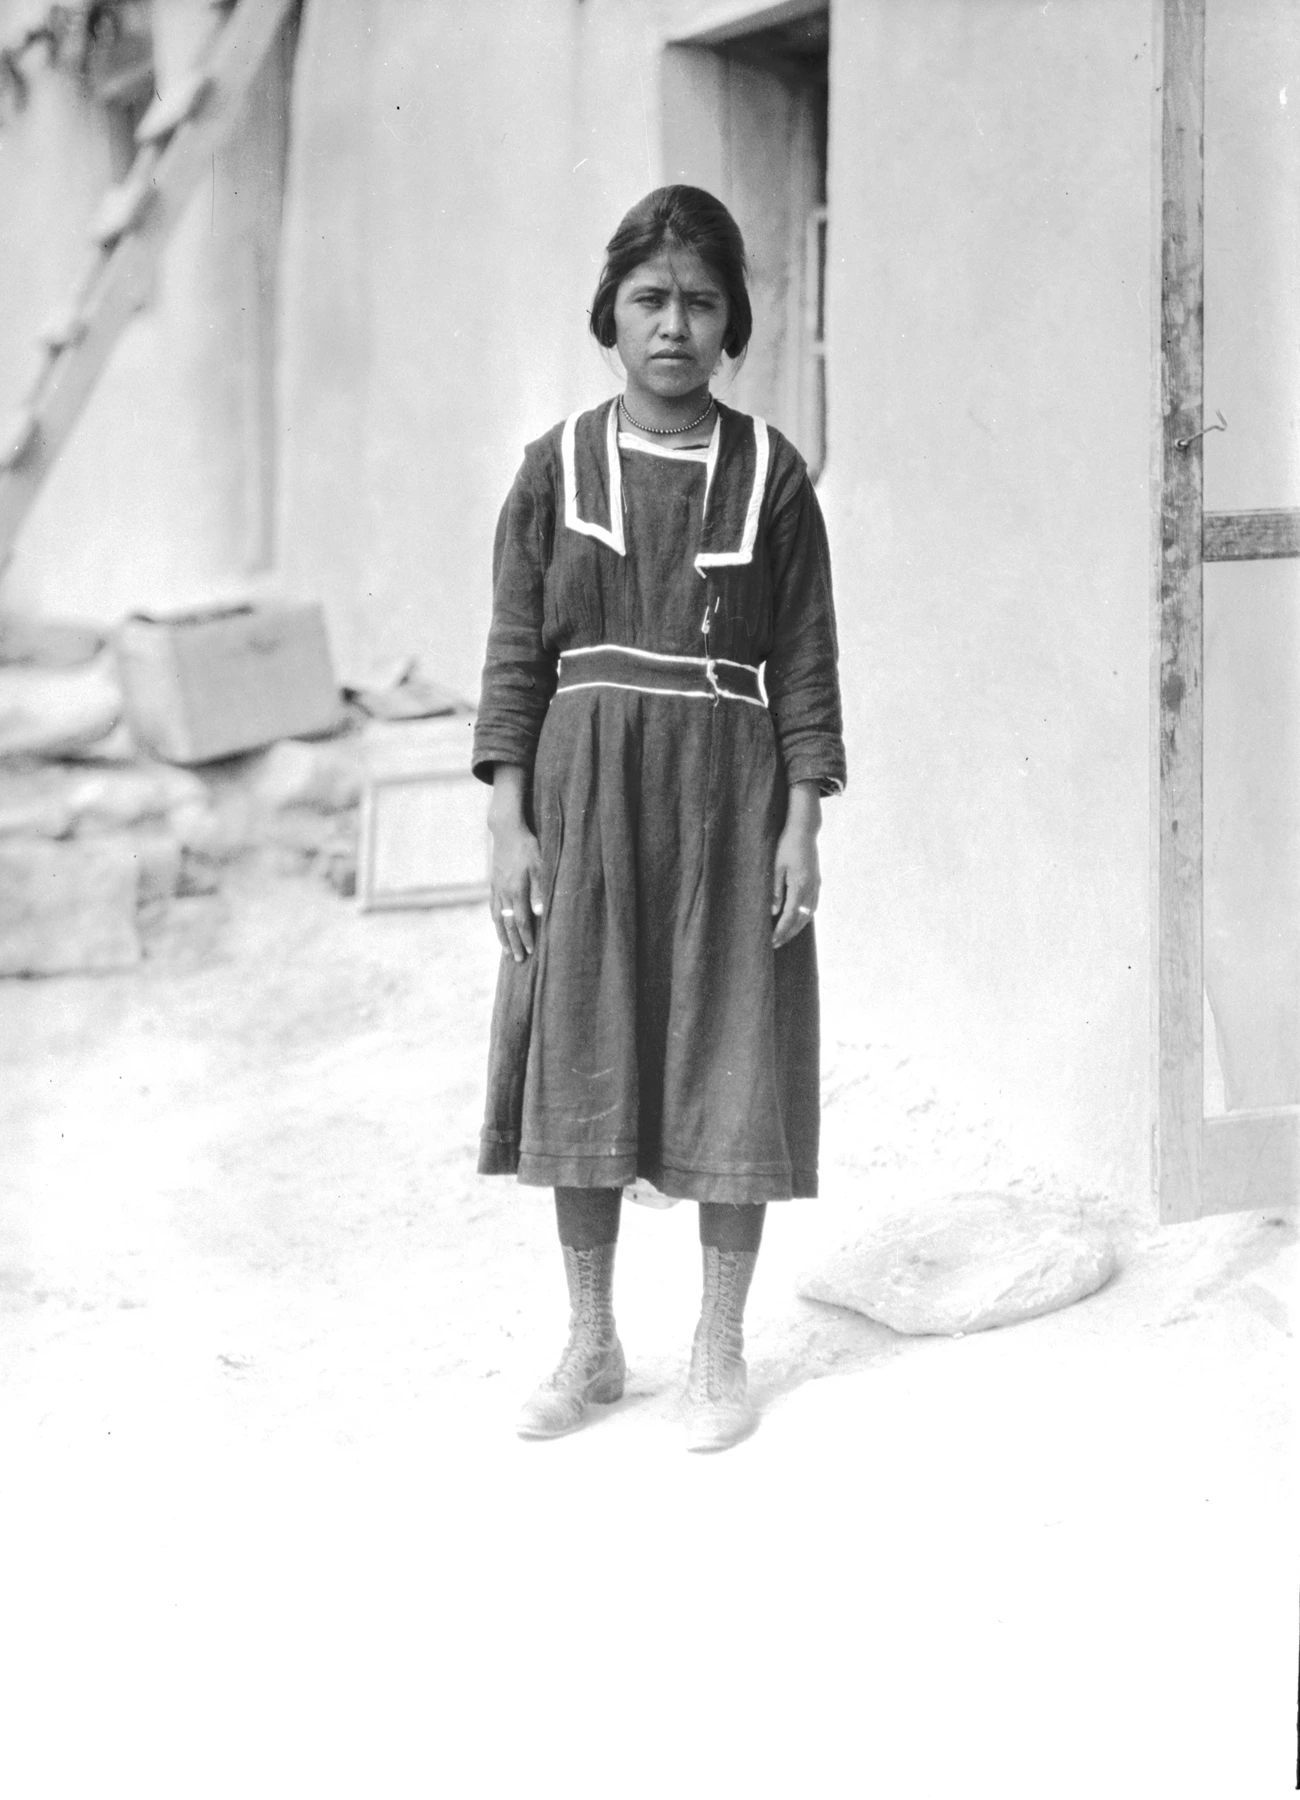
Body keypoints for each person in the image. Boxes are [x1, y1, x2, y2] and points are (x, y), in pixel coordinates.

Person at [471, 185, 845, 1452]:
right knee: (585, 1032)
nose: (673, 326)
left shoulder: (770, 473)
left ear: (731, 319)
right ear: (611, 316)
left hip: (730, 795)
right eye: (650, 301)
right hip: (585, 790)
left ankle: (718, 1345)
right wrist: (508, 822)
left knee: (728, 1044)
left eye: (698, 302)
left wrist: (801, 822)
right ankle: (590, 1341)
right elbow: (516, 656)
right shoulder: (553, 468)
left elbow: (803, 662)